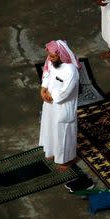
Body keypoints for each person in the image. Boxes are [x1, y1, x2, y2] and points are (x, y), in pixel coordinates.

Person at [39, 40, 81, 168]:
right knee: (50, 128)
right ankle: (52, 151)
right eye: (49, 56)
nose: (49, 59)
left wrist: (51, 96)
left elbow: (66, 91)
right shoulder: (52, 63)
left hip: (63, 106)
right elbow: (46, 75)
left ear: (61, 55)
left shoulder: (71, 70)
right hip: (50, 105)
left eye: (52, 56)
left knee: (64, 133)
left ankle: (67, 160)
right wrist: (43, 89)